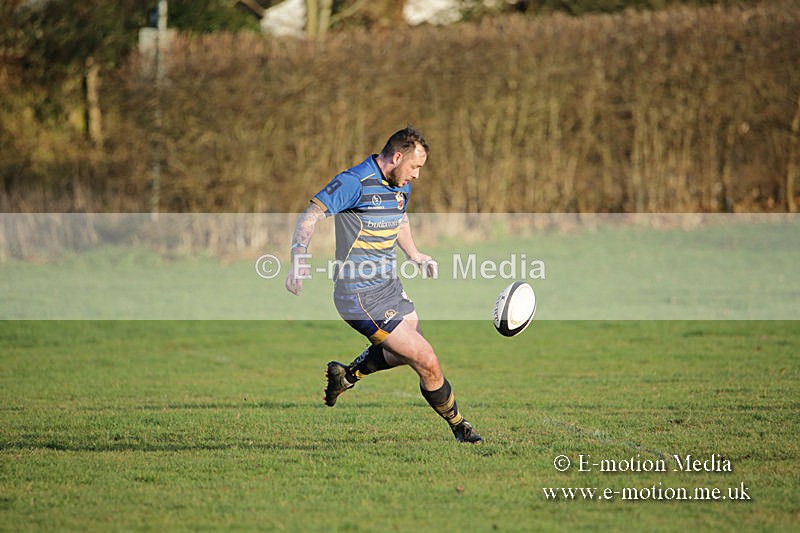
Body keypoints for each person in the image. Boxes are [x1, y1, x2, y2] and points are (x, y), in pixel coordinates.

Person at [284, 126, 482, 444]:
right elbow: (311, 214)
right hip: (359, 295)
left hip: (389, 284)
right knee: (426, 360)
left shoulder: (400, 185)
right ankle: (460, 426)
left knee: (406, 348)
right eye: (415, 167)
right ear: (398, 156)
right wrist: (298, 258)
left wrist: (415, 254)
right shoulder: (354, 181)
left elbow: (399, 218)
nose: (417, 175)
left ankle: (347, 375)